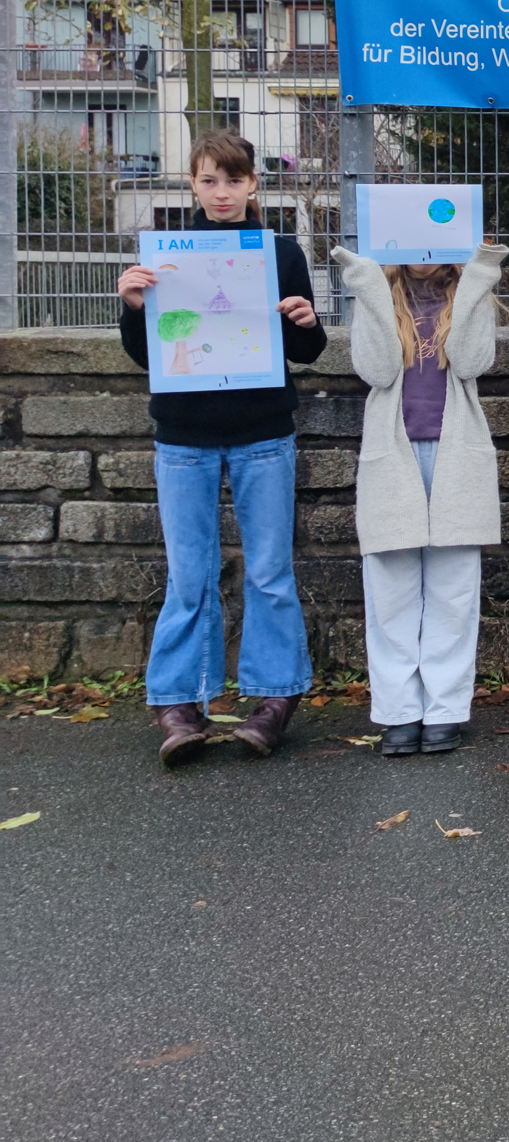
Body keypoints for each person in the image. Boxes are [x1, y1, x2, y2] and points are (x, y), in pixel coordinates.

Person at [117, 128, 329, 765]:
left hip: (264, 432)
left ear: (254, 184)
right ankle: (180, 704)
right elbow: (144, 356)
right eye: (209, 179)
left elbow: (306, 352)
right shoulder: (164, 256)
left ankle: (273, 700)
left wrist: (306, 322)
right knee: (190, 576)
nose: (222, 191)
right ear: (193, 183)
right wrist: (132, 306)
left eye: (234, 179)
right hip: (183, 436)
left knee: (268, 571)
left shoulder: (280, 251)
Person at [332, 238, 509, 754]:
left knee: (454, 590)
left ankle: (446, 710)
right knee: (391, 588)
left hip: (455, 453)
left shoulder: (467, 291)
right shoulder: (380, 293)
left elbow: (474, 362)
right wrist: (368, 288)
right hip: (395, 453)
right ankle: (398, 712)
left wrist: (477, 278)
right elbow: (379, 370)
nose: (422, 248)